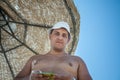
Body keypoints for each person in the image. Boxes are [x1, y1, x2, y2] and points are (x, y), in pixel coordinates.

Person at [14, 21, 92, 80]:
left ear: (68, 40)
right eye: (57, 33)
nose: (60, 38)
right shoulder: (35, 58)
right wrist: (29, 78)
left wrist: (71, 79)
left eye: (64, 35)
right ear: (50, 36)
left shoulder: (77, 60)